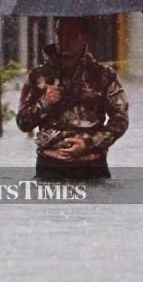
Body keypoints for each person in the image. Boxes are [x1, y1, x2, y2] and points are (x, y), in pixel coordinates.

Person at [17, 17, 128, 181]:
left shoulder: (103, 75)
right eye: (59, 34)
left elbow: (120, 120)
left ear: (84, 37)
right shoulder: (39, 75)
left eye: (71, 35)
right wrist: (44, 103)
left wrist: (89, 144)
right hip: (50, 166)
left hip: (91, 166)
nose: (63, 40)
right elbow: (23, 123)